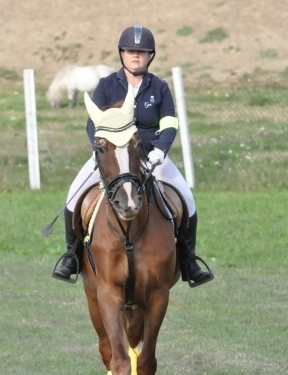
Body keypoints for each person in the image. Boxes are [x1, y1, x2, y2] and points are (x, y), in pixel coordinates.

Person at [52, 24, 214, 287]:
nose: (135, 55)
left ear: (151, 56)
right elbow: (93, 123)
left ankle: (188, 261)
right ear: (121, 54)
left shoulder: (159, 87)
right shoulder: (106, 86)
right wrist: (101, 150)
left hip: (151, 156)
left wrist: (161, 150)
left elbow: (170, 122)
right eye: (130, 51)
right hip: (112, 156)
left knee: (187, 197)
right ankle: (71, 257)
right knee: (73, 194)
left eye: (142, 51)